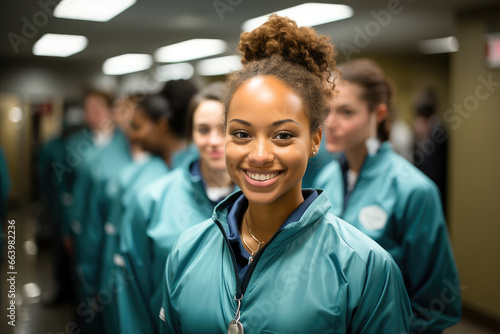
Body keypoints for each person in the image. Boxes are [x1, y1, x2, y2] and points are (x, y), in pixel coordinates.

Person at [160, 15, 411, 334]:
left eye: (282, 136)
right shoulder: (187, 251)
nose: (260, 155)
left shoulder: (364, 267)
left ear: (315, 139)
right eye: (241, 134)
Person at [314, 59, 461, 333]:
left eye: (346, 112)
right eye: (327, 111)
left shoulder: (414, 190)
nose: (330, 123)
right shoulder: (327, 179)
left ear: (378, 114)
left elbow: (437, 305)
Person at [117, 82, 236, 333]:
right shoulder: (152, 200)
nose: (214, 141)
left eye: (224, 129)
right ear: (190, 134)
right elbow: (132, 293)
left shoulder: (258, 202)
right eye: (203, 130)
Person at [412, 88, 449, 214]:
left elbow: (435, 169)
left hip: (436, 191)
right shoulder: (421, 132)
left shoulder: (440, 133)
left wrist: (424, 137)